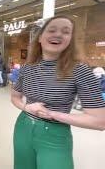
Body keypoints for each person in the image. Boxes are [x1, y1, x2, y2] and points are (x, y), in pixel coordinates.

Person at [11, 16, 105, 169]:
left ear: (70, 40)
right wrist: (27, 108)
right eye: (52, 30)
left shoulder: (80, 71)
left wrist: (53, 114)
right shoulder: (28, 67)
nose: (58, 34)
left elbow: (100, 121)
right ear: (40, 38)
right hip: (23, 127)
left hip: (55, 133)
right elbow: (15, 97)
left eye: (66, 32)